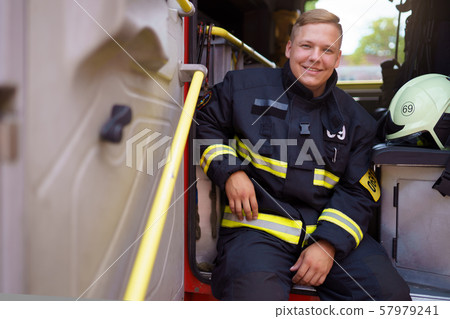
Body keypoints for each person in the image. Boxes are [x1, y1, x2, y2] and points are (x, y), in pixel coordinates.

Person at [195, 8, 411, 301]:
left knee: (390, 298)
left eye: (327, 50)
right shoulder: (242, 88)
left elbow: (358, 191)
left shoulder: (357, 120)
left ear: (338, 58)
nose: (315, 57)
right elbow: (204, 125)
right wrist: (230, 171)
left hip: (327, 234)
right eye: (306, 46)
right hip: (255, 231)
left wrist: (328, 244)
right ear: (289, 48)